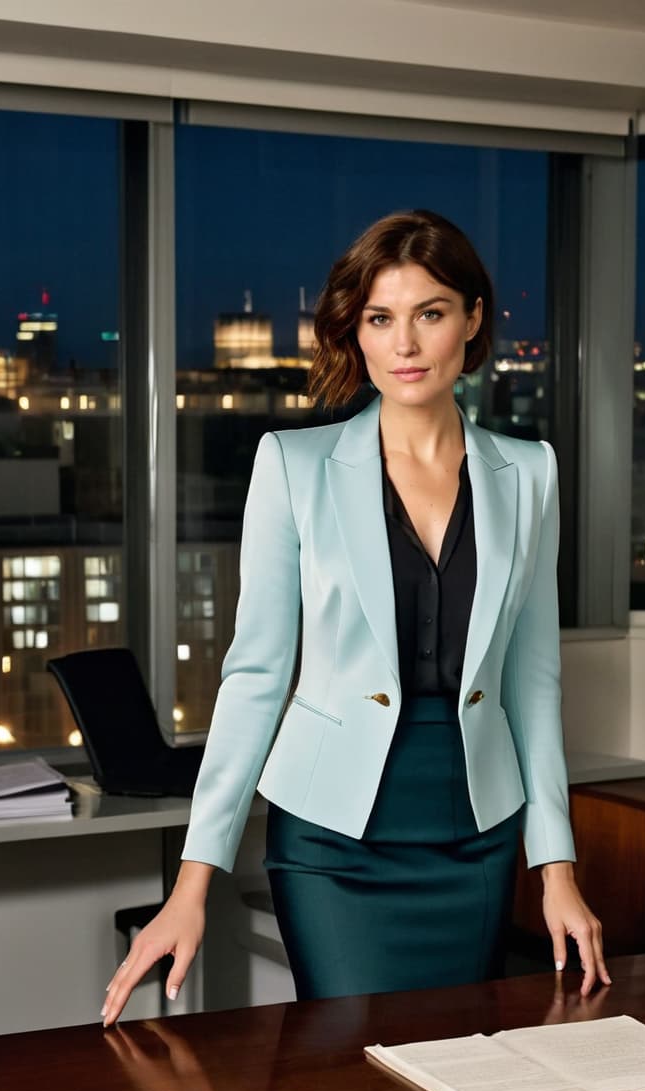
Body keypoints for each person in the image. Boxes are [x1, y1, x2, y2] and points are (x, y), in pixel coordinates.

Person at [101, 209, 609, 1026]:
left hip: (475, 835)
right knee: (347, 1082)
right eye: (380, 318)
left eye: (430, 313)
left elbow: (534, 682)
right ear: (356, 333)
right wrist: (193, 883)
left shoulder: (531, 473)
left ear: (473, 320)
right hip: (334, 841)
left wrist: (556, 868)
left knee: (456, 1073)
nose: (405, 344)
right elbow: (256, 680)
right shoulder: (294, 467)